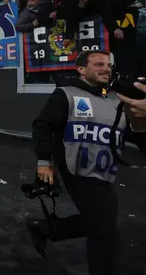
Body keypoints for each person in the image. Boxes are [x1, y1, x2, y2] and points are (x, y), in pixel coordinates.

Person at [28, 50, 146, 275]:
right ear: (81, 69)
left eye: (109, 65)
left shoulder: (117, 99)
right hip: (77, 170)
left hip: (105, 172)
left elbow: (134, 134)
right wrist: (44, 160)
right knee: (105, 232)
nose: (106, 69)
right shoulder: (66, 94)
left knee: (100, 222)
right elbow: (42, 125)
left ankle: (46, 229)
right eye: (99, 64)